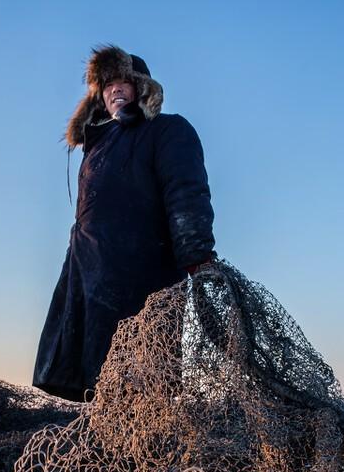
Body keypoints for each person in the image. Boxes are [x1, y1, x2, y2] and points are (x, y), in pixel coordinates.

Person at [33, 45, 217, 402]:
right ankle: (107, 442)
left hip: (145, 275)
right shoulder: (95, 147)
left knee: (144, 375)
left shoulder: (167, 130)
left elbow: (186, 191)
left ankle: (147, 448)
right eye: (108, 84)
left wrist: (196, 253)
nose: (116, 89)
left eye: (125, 82)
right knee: (96, 377)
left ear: (142, 88)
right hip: (89, 275)